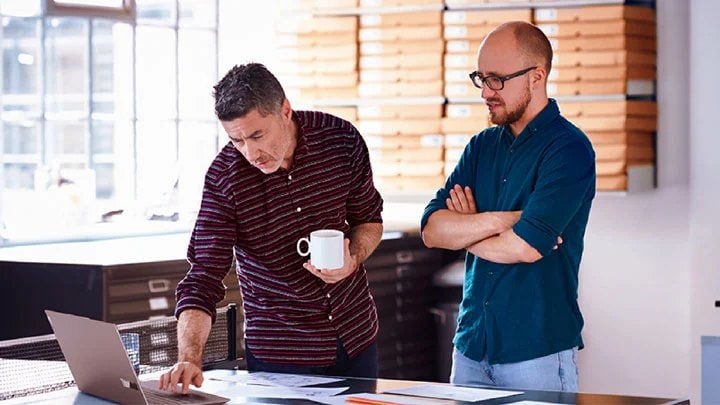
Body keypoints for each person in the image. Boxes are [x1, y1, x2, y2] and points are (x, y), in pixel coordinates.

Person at [159, 63, 384, 393]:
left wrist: (354, 256)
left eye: (256, 135)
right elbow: (203, 277)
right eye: (236, 140)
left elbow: (369, 220)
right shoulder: (226, 179)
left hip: (356, 338)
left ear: (285, 111)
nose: (251, 153)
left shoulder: (340, 139)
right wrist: (190, 357)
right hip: (280, 356)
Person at [421, 21, 596, 392]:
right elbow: (433, 230)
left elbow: (524, 247)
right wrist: (505, 220)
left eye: (497, 79)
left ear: (537, 76)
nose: (485, 91)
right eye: (480, 78)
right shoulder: (481, 147)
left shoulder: (569, 150)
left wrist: (466, 229)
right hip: (469, 348)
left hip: (537, 354)